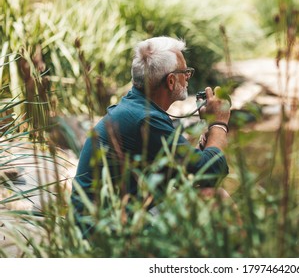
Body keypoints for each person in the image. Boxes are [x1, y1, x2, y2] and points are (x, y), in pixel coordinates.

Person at [71, 36, 231, 229]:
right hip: (105, 231)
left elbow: (179, 175)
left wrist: (199, 151)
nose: (188, 77)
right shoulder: (145, 119)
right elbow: (212, 171)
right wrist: (219, 123)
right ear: (171, 81)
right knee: (214, 198)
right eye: (185, 72)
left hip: (104, 219)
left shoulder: (137, 108)